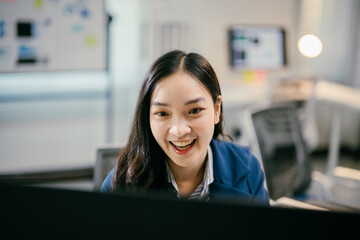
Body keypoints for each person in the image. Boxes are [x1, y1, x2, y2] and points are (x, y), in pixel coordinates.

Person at [101, 50, 269, 205]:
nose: (179, 131)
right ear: (147, 117)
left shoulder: (246, 168)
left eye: (194, 111)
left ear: (216, 110)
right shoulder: (121, 183)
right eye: (162, 113)